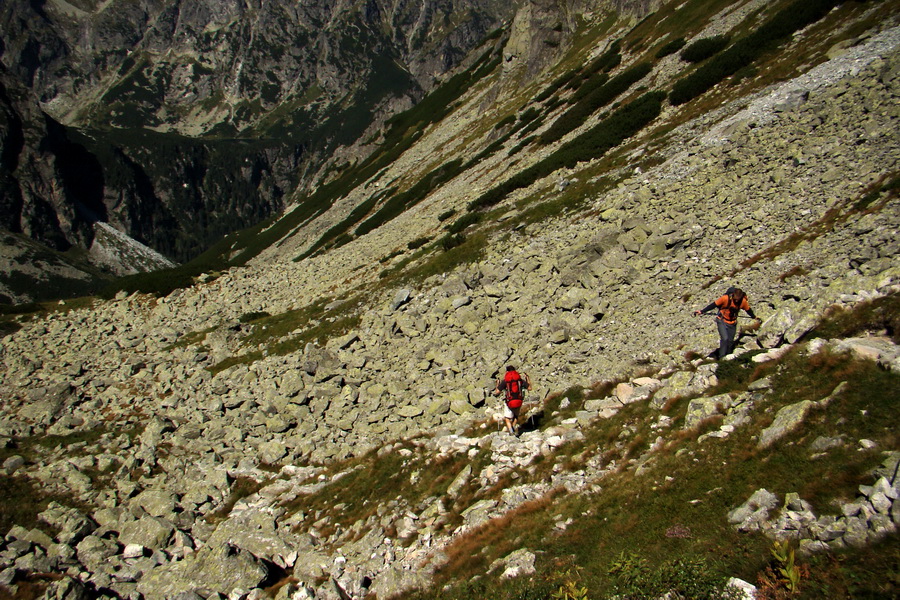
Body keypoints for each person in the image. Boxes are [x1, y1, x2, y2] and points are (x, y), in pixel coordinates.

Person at [693, 287, 761, 359]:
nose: (737, 300)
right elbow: (713, 305)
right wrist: (702, 311)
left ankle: (728, 356)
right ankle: (722, 357)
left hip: (732, 322)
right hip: (721, 320)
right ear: (733, 295)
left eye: (738, 299)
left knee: (730, 341)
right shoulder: (725, 298)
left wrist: (754, 316)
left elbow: (748, 310)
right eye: (735, 299)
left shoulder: (743, 302)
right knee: (725, 338)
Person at [492, 365, 531, 436]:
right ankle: (513, 427)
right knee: (515, 416)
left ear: (507, 371)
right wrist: (527, 378)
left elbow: (497, 392)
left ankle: (511, 430)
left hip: (509, 401)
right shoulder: (519, 380)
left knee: (507, 418)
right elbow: (529, 388)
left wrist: (497, 383)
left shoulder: (506, 381)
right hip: (519, 400)